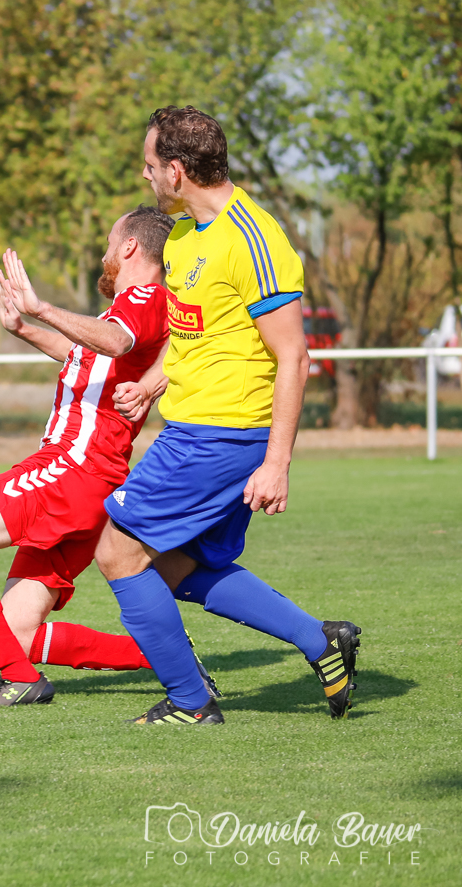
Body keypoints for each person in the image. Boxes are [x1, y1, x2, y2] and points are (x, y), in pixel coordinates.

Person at [96, 105, 361, 726]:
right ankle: (319, 640)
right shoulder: (185, 236)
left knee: (117, 553)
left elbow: (293, 355)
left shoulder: (255, 237)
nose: (144, 172)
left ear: (178, 169)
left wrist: (277, 463)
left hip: (221, 436)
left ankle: (191, 701)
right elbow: (199, 334)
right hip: (192, 426)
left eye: (150, 162)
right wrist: (158, 380)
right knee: (182, 568)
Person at [0, 206, 188, 708]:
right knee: (14, 633)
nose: (105, 253)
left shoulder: (145, 296)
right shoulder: (131, 309)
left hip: (70, 468)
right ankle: (164, 656)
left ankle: (20, 683)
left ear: (130, 247)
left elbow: (111, 341)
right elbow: (88, 356)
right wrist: (24, 329)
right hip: (91, 480)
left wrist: (41, 307)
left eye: (111, 243)